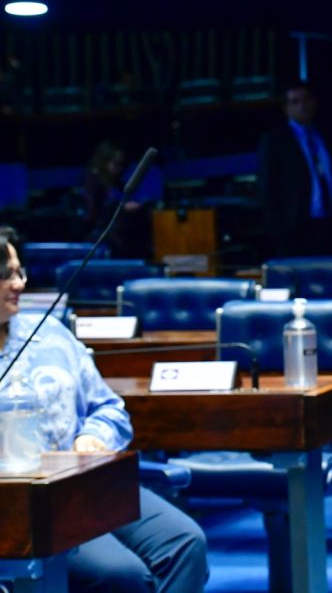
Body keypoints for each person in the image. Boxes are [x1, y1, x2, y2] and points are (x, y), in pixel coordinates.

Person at [0, 226, 208, 592]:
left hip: (87, 486)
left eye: (20, 272)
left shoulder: (49, 332)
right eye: (5, 275)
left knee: (185, 544)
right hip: (21, 508)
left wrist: (94, 437)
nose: (18, 283)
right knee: (123, 577)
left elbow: (109, 407)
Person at [256, 82, 332, 256]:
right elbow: (267, 187)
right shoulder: (275, 140)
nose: (302, 106)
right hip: (295, 227)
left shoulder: (327, 135)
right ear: (286, 108)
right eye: (295, 102)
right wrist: (279, 230)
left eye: (306, 100)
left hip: (327, 224)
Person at [82, 141, 149, 258]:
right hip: (99, 234)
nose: (120, 168)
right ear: (104, 161)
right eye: (116, 163)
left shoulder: (115, 181)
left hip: (114, 230)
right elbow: (92, 215)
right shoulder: (93, 182)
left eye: (122, 164)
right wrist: (122, 208)